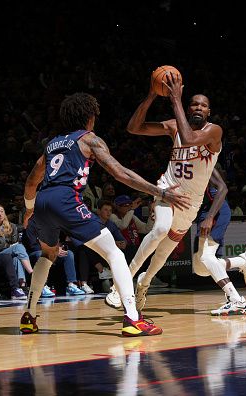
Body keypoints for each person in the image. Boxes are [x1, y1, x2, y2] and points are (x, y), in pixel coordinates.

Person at [19, 92, 189, 336]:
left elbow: (31, 181)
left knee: (48, 254)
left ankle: (28, 315)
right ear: (90, 117)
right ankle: (132, 318)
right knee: (114, 253)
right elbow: (120, 173)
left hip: (43, 201)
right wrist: (160, 192)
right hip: (65, 199)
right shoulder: (89, 139)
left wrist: (29, 210)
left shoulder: (52, 144)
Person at [120, 72, 231, 312]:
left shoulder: (214, 131)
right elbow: (133, 127)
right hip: (167, 189)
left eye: (203, 105)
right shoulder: (173, 125)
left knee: (165, 252)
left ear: (209, 112)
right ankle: (122, 282)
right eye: (194, 103)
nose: (198, 107)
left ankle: (144, 282)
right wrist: (151, 95)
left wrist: (176, 100)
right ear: (189, 108)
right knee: (159, 228)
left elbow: (190, 138)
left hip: (190, 203)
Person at [106, 169, 246, 315]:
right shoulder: (178, 169)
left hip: (215, 211)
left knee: (206, 257)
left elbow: (223, 189)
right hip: (203, 211)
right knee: (200, 268)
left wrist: (210, 217)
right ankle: (241, 261)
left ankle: (236, 299)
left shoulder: (204, 161)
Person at [22, 215, 86, 297]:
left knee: (68, 254)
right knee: (40, 254)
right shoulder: (30, 225)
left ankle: (71, 284)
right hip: (35, 254)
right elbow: (33, 246)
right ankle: (42, 286)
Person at [0, 204, 33, 289]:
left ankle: (21, 286)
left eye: (2, 211)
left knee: (16, 258)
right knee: (18, 247)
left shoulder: (12, 226)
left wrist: (11, 246)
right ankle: (32, 274)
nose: (0, 214)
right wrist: (8, 245)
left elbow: (15, 241)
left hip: (12, 252)